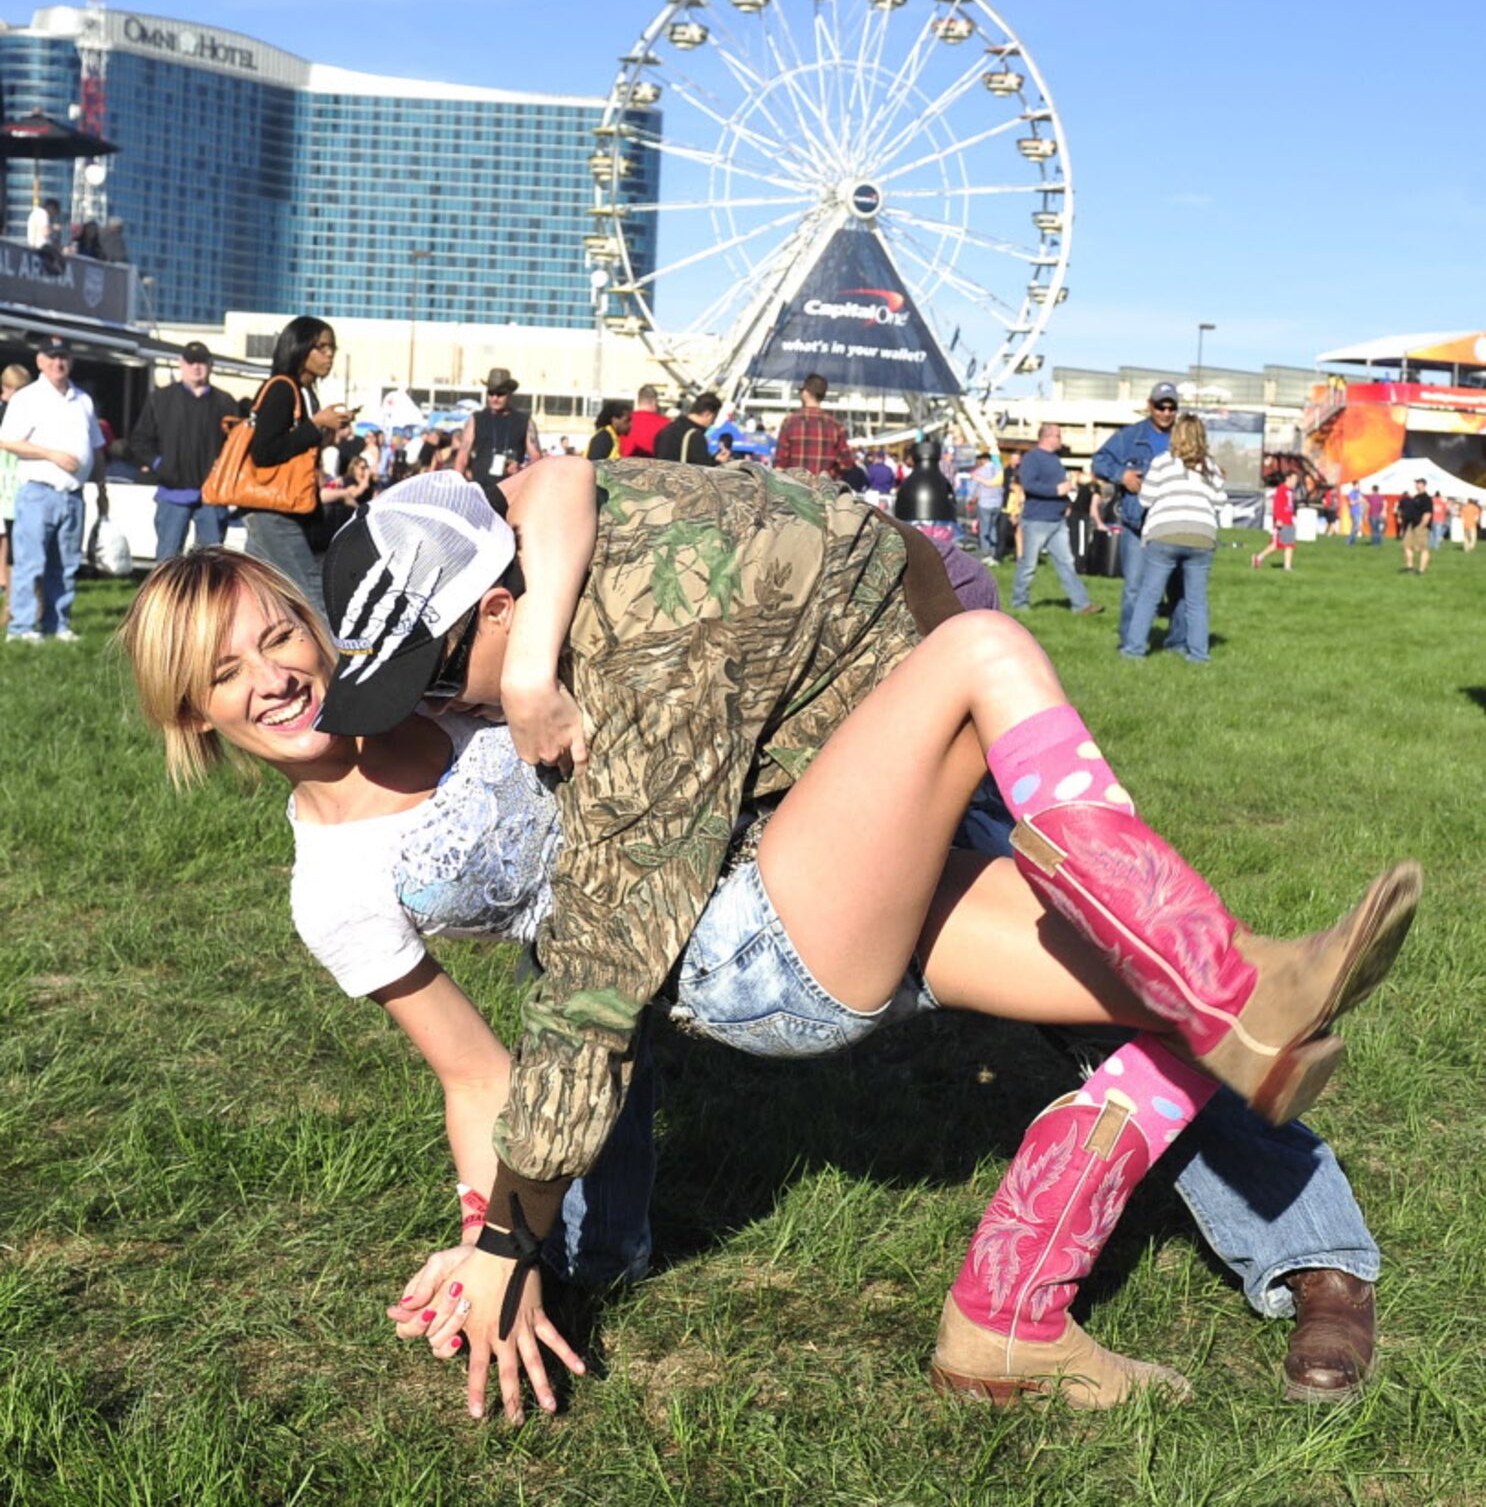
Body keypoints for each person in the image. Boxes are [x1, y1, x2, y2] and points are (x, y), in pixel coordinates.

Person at [122, 534, 1390, 1421]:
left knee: (1180, 1001)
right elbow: (480, 1070)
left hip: (780, 834)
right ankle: (1223, 983)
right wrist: (490, 1244)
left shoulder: (441, 682)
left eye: (278, 634)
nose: (272, 676)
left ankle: (1066, 1299)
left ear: (320, 624)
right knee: (982, 665)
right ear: (193, 722)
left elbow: (560, 514)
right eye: (223, 676)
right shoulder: (334, 887)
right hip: (731, 933)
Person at [0, 335, 107, 642]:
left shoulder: (83, 400)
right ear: (40, 362)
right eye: (52, 357)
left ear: (70, 361)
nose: (58, 363)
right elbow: (8, 441)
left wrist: (101, 489)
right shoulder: (28, 398)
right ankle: (21, 627)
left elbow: (97, 449)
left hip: (73, 495)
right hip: (38, 492)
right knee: (30, 562)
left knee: (66, 564)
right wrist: (52, 455)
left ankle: (57, 623)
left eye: (63, 357)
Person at [242, 317, 348, 618]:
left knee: (263, 600)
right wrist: (316, 426)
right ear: (300, 348)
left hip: (286, 509)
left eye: (332, 348)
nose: (329, 355)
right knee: (313, 596)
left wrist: (324, 433)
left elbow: (293, 449)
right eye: (322, 347)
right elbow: (264, 452)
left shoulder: (306, 393)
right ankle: (339, 663)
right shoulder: (281, 390)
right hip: (273, 512)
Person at [1121, 415, 1225, 663]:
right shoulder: (1211, 467)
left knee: (1149, 595)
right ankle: (1199, 654)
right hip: (1202, 535)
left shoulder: (1162, 462)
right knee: (1196, 600)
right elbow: (1220, 502)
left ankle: (1134, 649)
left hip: (1164, 533)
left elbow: (1145, 499)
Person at [127, 341, 239, 559]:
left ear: (210, 365)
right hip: (172, 493)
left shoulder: (225, 402)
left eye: (201, 362)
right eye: (191, 362)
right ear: (181, 364)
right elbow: (140, 441)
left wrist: (224, 471)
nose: (196, 367)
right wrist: (161, 465)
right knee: (168, 561)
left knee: (212, 564)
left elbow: (236, 444)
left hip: (212, 496)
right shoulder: (161, 398)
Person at [1092, 385, 1183, 650]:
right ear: (1149, 405)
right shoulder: (1129, 436)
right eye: (1160, 406)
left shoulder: (1184, 437)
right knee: (1134, 587)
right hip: (1137, 525)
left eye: (1171, 407)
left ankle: (1178, 643)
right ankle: (1131, 641)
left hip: (1173, 524)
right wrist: (1122, 475)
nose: (1166, 412)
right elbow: (1099, 461)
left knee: (1178, 589)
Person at [1010, 424, 1103, 616]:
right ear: (1047, 437)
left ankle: (1081, 604)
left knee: (1067, 563)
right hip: (1036, 520)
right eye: (1058, 436)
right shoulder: (1032, 458)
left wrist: (1065, 502)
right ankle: (1019, 602)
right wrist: (1056, 491)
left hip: (1057, 520)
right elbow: (1028, 484)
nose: (1061, 440)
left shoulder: (1055, 459)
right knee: (1028, 564)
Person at [454, 372, 541, 503]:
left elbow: (537, 458)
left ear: (510, 394)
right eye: (491, 393)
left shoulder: (524, 421)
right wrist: (457, 488)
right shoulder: (476, 418)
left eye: (500, 394)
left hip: (512, 492)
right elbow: (462, 456)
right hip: (480, 491)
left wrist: (521, 469)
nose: (494, 398)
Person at [773, 373, 854, 478]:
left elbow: (779, 464)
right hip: (823, 490)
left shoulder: (790, 422)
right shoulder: (835, 426)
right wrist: (831, 474)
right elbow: (846, 464)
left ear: (806, 393)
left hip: (795, 488)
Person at [0, 362, 31, 624]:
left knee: (21, 551)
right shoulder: (5, 412)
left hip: (20, 490)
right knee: (10, 551)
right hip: (6, 489)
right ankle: (10, 605)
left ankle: (18, 605)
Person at [652, 390, 720, 465]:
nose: (712, 423)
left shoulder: (666, 430)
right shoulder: (694, 435)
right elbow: (703, 469)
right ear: (707, 414)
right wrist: (717, 461)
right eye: (714, 418)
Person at [1252, 471, 1298, 573]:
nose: (1295, 482)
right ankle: (1258, 557)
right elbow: (1277, 505)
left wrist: (1294, 517)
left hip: (1289, 520)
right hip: (1282, 521)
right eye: (1294, 479)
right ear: (1288, 478)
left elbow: (1291, 506)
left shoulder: (1291, 491)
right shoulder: (1281, 489)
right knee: (1276, 545)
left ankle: (1287, 566)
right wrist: (1278, 519)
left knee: (1289, 544)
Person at [967, 449, 1004, 560]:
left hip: (985, 503)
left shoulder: (979, 472)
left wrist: (970, 500)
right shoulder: (999, 470)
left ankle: (985, 551)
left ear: (983, 460)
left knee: (984, 528)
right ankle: (993, 550)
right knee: (993, 527)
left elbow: (973, 488)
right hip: (998, 503)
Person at [620, 384, 668, 459]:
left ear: (638, 401)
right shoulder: (667, 424)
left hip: (624, 467)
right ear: (654, 402)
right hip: (655, 468)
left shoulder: (624, 421)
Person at [1396, 479, 1433, 575]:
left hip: (1421, 526)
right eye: (1416, 484)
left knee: (1423, 548)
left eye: (1419, 484)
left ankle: (1421, 570)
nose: (1417, 485)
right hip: (1411, 525)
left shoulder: (1426, 498)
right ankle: (1410, 567)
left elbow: (1427, 513)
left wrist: (1422, 525)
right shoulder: (1415, 497)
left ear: (1424, 485)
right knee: (1406, 546)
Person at [1345, 482, 1364, 547]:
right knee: (1355, 526)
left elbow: (1362, 502)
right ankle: (1349, 540)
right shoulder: (1352, 493)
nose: (1358, 487)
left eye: (1359, 486)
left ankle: (1352, 541)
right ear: (1354, 486)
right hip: (1354, 511)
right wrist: (1358, 501)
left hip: (1358, 511)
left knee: (1356, 527)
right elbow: (1351, 503)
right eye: (1357, 486)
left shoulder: (1359, 493)